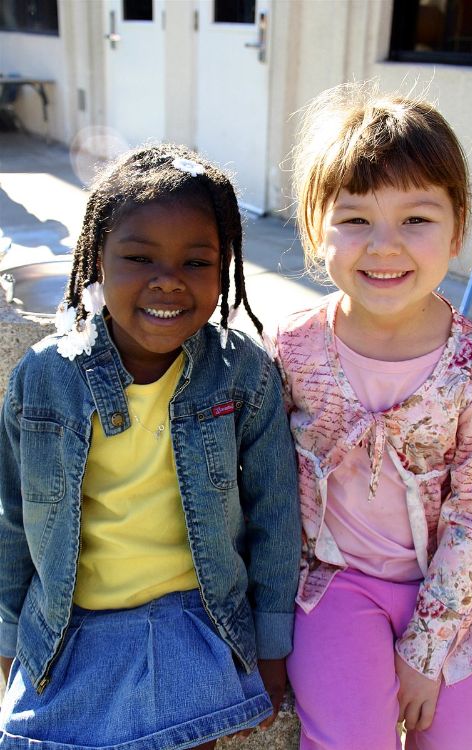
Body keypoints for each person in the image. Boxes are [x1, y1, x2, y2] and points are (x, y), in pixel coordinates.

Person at [0, 143, 301, 750]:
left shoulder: (242, 375)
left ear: (226, 268)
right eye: (139, 257)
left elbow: (276, 518)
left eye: (197, 262)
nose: (168, 280)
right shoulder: (43, 377)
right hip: (68, 631)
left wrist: (272, 651)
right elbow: (12, 517)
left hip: (197, 627)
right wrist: (9, 639)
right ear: (97, 264)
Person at [274, 83, 472, 750]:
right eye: (355, 219)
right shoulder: (290, 351)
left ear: (458, 228)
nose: (384, 246)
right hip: (333, 593)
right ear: (317, 230)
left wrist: (426, 651)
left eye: (416, 220)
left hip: (442, 594)